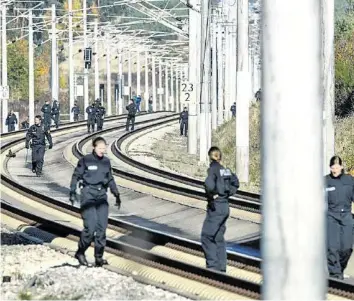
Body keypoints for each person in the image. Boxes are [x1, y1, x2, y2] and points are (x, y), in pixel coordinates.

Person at [69, 137, 121, 267]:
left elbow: (110, 179)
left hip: (101, 196)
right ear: (94, 147)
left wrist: (116, 194)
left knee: (101, 229)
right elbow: (76, 175)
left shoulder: (106, 162)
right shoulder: (86, 160)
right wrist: (72, 191)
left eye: (104, 148)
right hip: (88, 195)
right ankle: (80, 252)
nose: (102, 151)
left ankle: (99, 257)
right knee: (90, 228)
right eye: (100, 148)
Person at [201, 146, 239, 272]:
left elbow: (209, 185)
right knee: (218, 237)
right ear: (220, 157)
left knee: (206, 236)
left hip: (216, 207)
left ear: (210, 157)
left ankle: (212, 267)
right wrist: (227, 194)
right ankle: (221, 268)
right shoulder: (225, 170)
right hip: (225, 206)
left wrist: (212, 195)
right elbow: (236, 182)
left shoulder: (212, 170)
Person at [325, 155, 354, 280]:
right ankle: (335, 275)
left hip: (346, 216)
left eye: (337, 167)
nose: (335, 169)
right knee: (332, 247)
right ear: (330, 167)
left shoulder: (349, 180)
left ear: (341, 167)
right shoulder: (325, 181)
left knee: (347, 248)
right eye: (332, 167)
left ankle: (340, 268)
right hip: (331, 216)